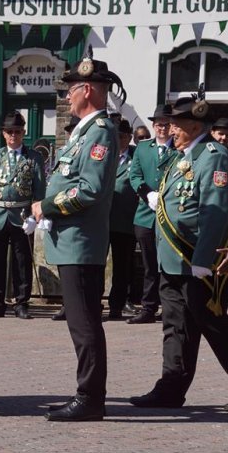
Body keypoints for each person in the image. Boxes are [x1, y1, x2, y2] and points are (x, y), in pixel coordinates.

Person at [129, 86, 228, 413]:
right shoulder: (181, 157)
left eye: (176, 125)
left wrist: (203, 260)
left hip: (196, 261)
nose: (170, 130)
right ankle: (171, 387)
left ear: (194, 126)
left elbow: (215, 213)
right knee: (176, 325)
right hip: (172, 259)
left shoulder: (214, 157)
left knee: (212, 323)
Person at [31, 47, 123, 421]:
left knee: (85, 324)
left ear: (87, 90)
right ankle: (87, 393)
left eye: (71, 90)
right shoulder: (84, 133)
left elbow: (90, 190)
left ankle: (90, 398)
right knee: (80, 323)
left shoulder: (100, 132)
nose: (67, 97)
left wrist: (47, 206)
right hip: (71, 241)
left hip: (81, 243)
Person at [0, 112, 45, 319]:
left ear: (23, 133)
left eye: (17, 131)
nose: (13, 135)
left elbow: (39, 192)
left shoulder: (33, 158)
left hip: (21, 215)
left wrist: (33, 217)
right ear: (3, 134)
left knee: (21, 261)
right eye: (9, 131)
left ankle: (21, 303)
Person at [127, 104, 176, 324]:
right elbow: (134, 175)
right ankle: (148, 307)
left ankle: (169, 306)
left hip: (170, 213)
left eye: (166, 124)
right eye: (158, 124)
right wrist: (147, 193)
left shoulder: (178, 149)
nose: (162, 128)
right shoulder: (143, 148)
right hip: (145, 212)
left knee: (168, 263)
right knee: (149, 264)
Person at [106, 119, 137, 320]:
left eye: (123, 136)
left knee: (123, 265)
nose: (119, 140)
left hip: (125, 219)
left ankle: (118, 304)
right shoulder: (104, 154)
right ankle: (94, 301)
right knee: (96, 264)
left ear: (129, 137)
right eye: (115, 136)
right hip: (102, 218)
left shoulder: (136, 156)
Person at [50, 115, 80, 322]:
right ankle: (66, 303)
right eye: (69, 132)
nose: (72, 135)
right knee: (64, 264)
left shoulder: (84, 151)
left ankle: (83, 304)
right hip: (60, 211)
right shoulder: (62, 152)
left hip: (77, 209)